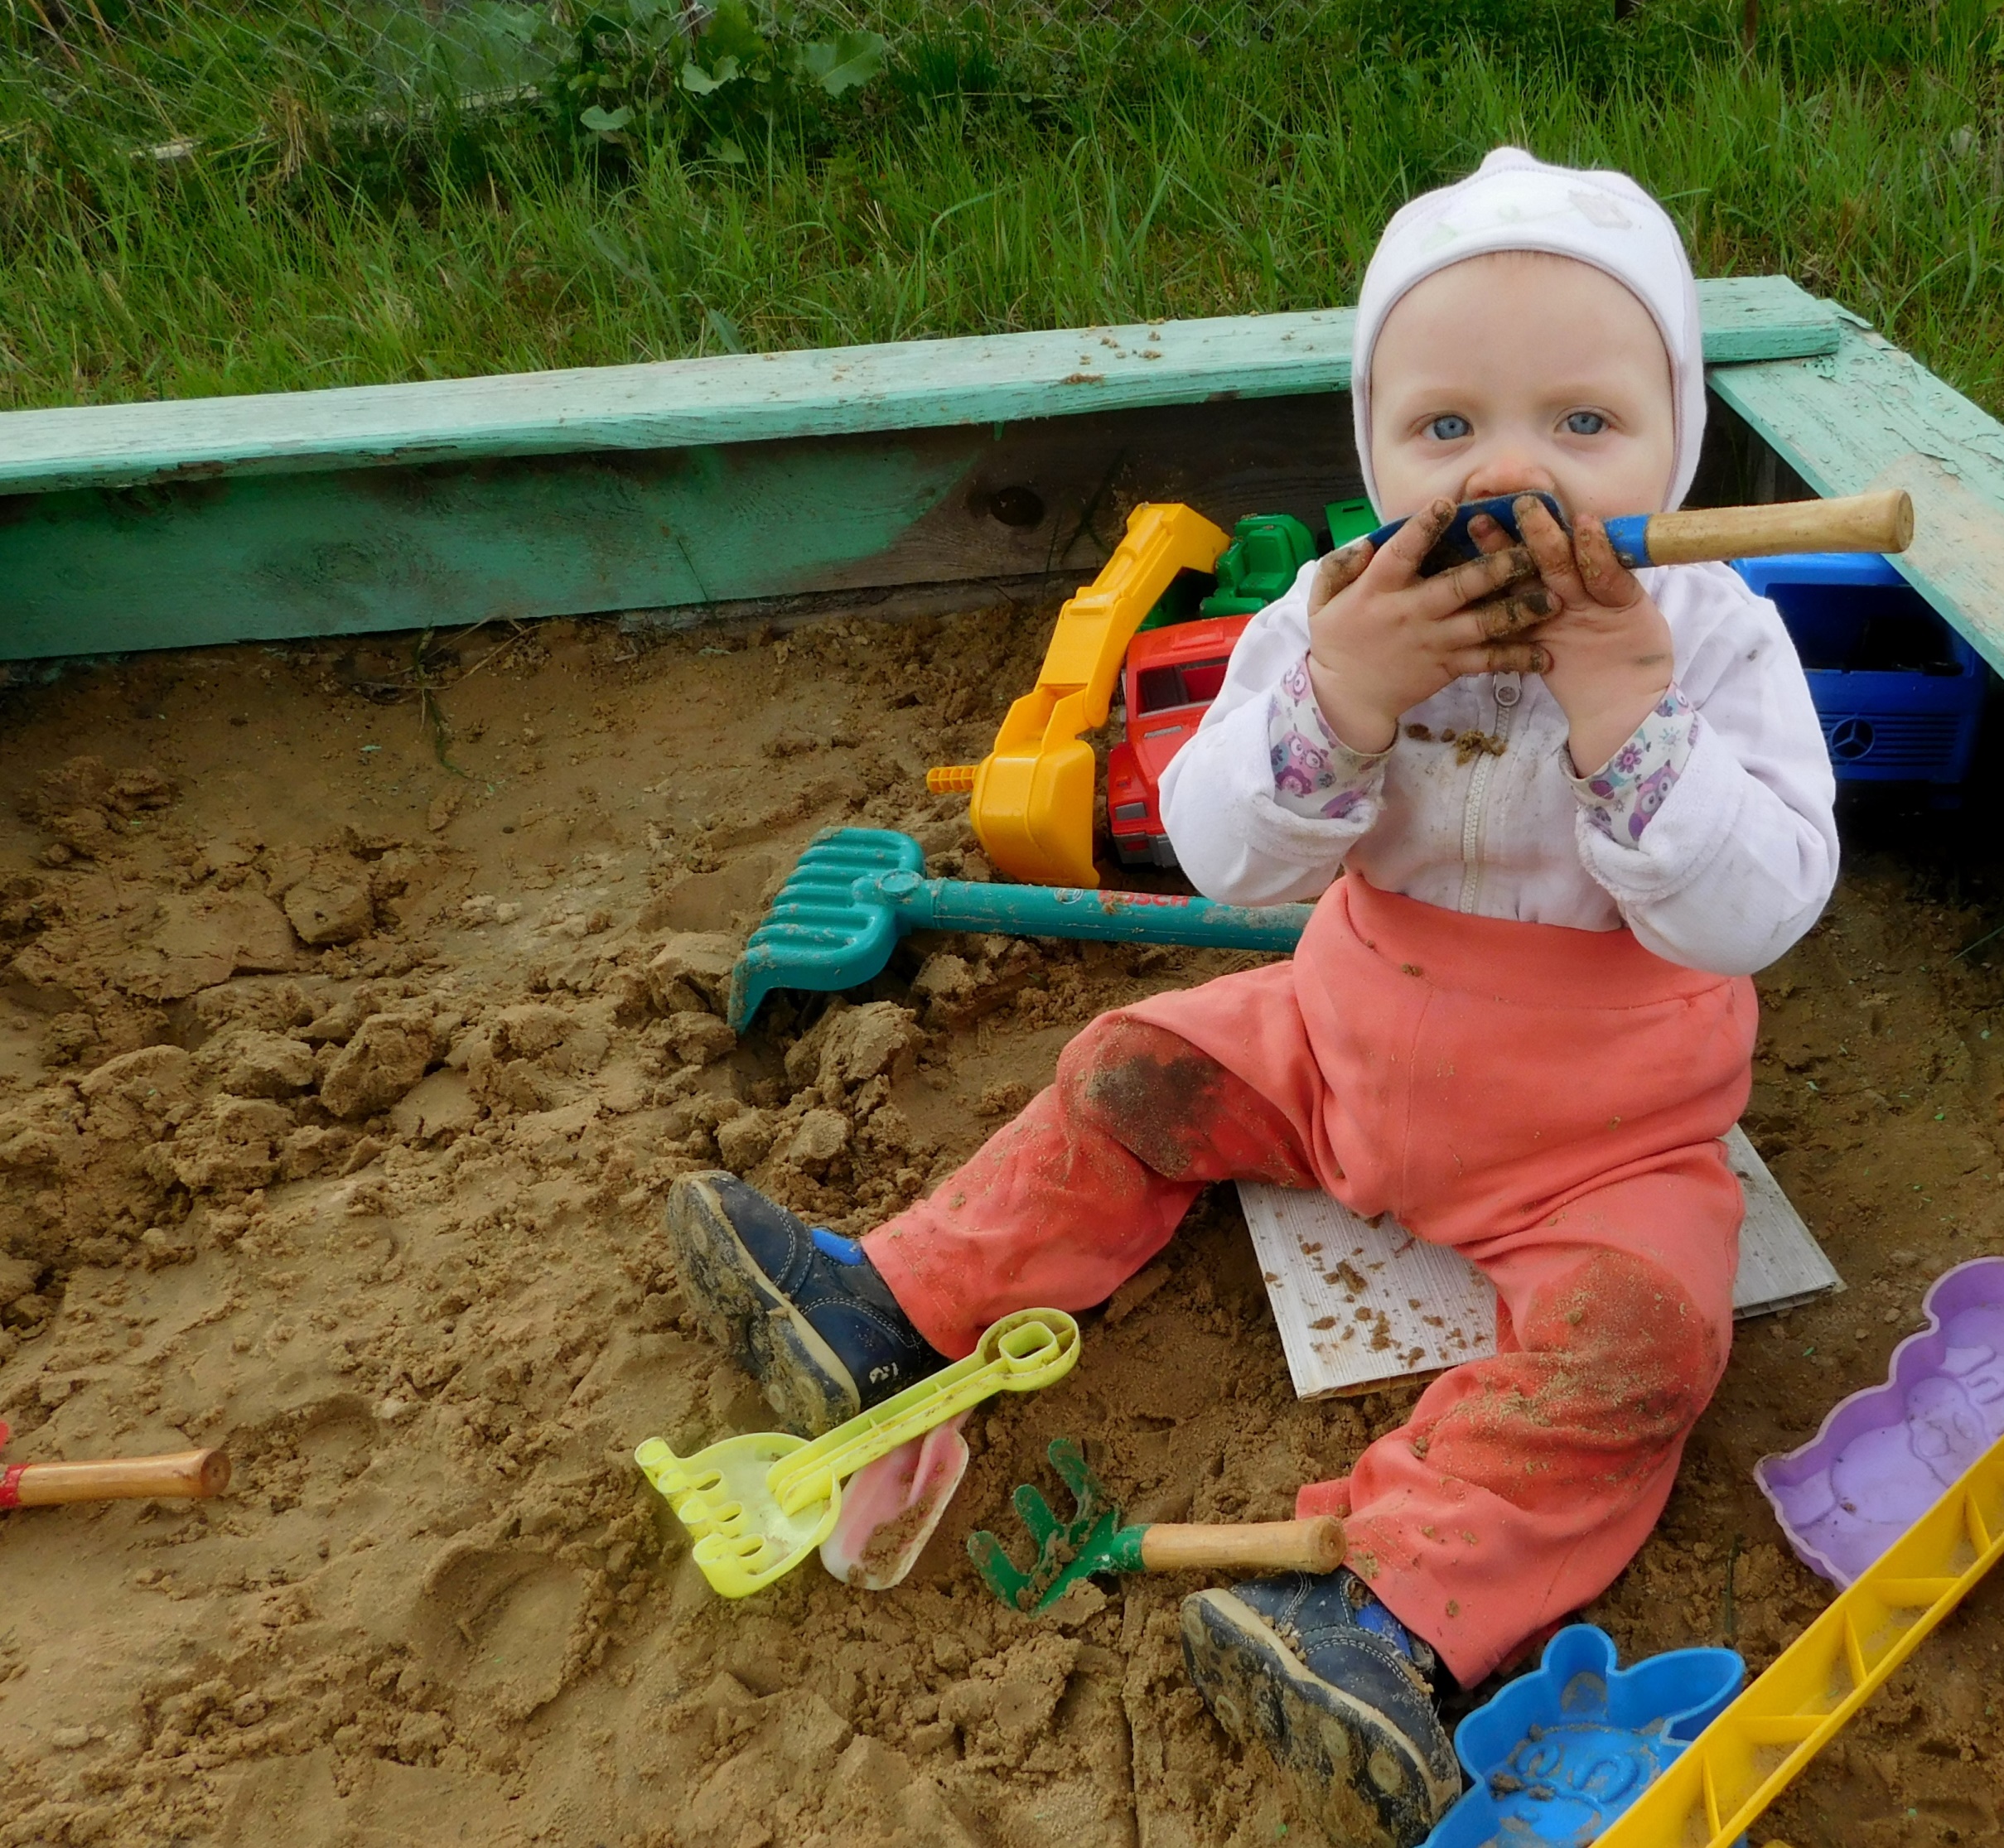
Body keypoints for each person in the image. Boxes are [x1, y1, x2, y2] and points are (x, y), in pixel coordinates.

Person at [664, 147, 1839, 1847]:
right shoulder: (1329, 612)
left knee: (1645, 1345)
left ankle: (1383, 1614)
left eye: (1582, 427)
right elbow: (1224, 857)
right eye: (1446, 431)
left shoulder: (1715, 641)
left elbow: (1754, 913)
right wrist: (1343, 695)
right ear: (1373, 452)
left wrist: (1624, 716)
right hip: (1334, 1044)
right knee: (1130, 1063)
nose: (1512, 477)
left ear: (1681, 439)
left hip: (1602, 1138)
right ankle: (885, 1309)